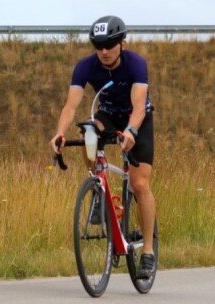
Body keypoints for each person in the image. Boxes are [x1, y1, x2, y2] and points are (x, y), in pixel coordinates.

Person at [49, 15, 156, 278]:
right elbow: (71, 105)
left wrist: (131, 131)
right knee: (88, 130)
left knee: (140, 184)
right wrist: (59, 133)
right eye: (98, 46)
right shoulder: (85, 66)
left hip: (137, 119)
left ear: (123, 43)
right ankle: (98, 187)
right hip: (107, 115)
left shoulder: (136, 64)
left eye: (109, 45)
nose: (104, 52)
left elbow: (139, 105)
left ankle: (149, 253)